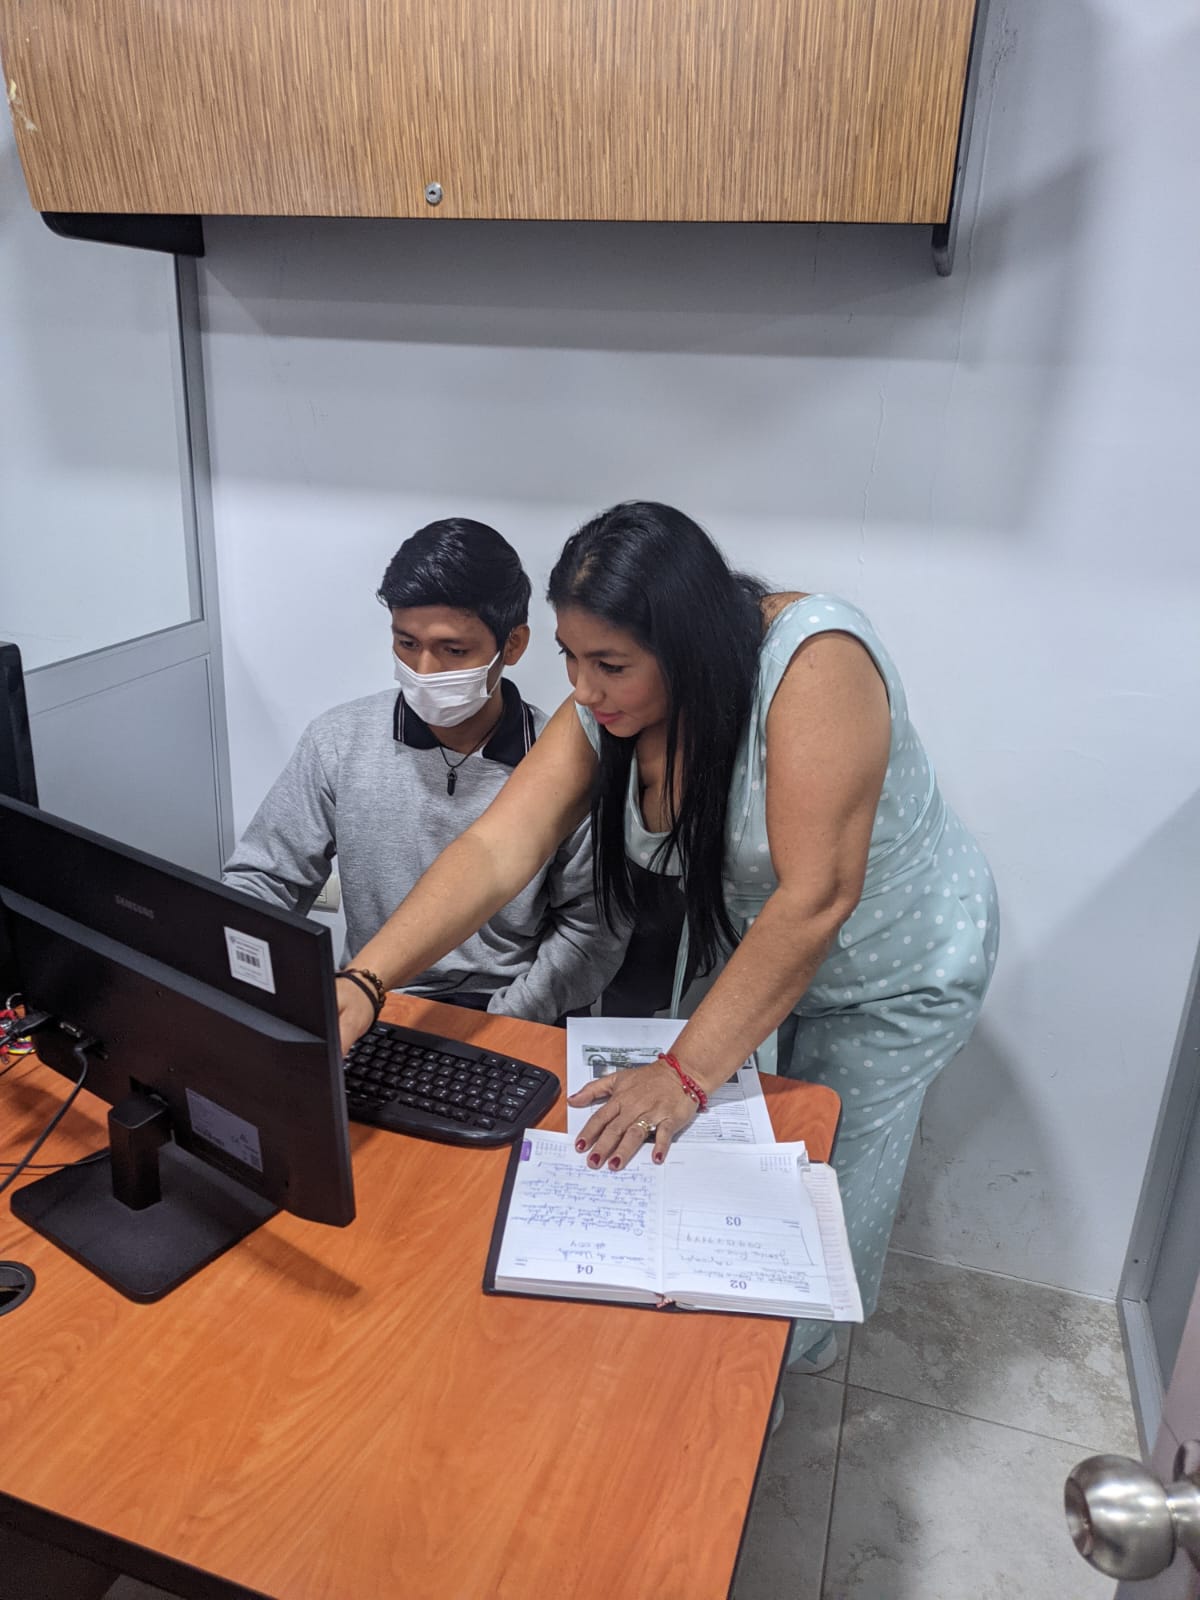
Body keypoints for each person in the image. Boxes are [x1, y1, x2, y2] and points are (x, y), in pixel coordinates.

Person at [336, 502, 999, 1366]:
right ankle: (695, 1368)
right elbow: (498, 849)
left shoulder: (816, 662)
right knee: (705, 1185)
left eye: (610, 665)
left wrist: (686, 1072)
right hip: (753, 954)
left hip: (888, 966)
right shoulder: (606, 706)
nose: (584, 690)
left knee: (815, 1201)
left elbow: (817, 897)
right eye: (571, 658)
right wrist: (366, 980)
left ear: (686, 647)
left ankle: (777, 1380)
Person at [222, 517, 629, 1025]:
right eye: (407, 644)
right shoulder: (339, 743)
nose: (424, 670)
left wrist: (509, 1018)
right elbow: (262, 881)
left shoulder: (563, 764)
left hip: (506, 1014)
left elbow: (591, 932)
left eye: (453, 650)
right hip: (375, 1000)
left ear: (513, 645)